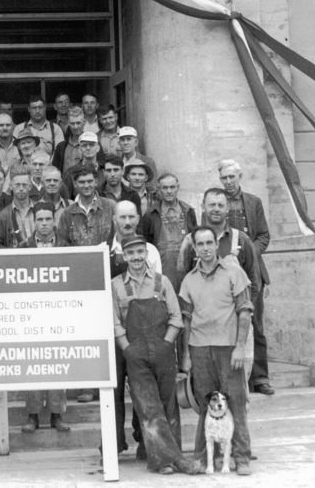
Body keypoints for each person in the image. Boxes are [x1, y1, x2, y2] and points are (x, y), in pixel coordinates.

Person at [112, 235, 201, 476]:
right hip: (135, 353)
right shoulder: (117, 284)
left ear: (147, 253)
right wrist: (128, 349)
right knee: (148, 408)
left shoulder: (162, 282)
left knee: (169, 406)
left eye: (140, 252)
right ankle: (166, 461)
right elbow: (115, 323)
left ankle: (172, 457)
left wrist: (166, 343)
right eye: (131, 253)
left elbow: (176, 317)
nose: (136, 257)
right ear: (124, 255)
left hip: (163, 350)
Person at [180, 226, 255, 476]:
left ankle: (241, 457)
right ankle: (202, 458)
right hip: (200, 350)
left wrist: (240, 347)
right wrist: (187, 356)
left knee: (236, 402)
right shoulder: (189, 280)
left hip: (228, 349)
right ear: (195, 247)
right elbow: (187, 321)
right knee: (205, 404)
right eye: (200, 244)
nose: (206, 248)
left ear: (216, 244)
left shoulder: (234, 272)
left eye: (209, 242)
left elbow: (245, 311)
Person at [105, 200, 161, 446]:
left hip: (143, 330)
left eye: (131, 217)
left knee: (144, 387)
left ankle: (145, 441)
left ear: (138, 219)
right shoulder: (101, 250)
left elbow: (158, 289)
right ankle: (114, 443)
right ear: (114, 219)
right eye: (122, 217)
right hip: (113, 329)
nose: (127, 222)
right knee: (114, 389)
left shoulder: (150, 251)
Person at [218, 159, 274, 395]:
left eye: (232, 177)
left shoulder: (253, 202)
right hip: (223, 272)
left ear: (240, 176)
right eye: (224, 178)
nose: (228, 182)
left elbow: (263, 235)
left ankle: (259, 378)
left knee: (255, 322)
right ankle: (229, 377)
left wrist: (248, 254)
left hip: (251, 272)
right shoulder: (216, 202)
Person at [18, 201, 70, 434]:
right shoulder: (22, 248)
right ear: (33, 221)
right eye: (40, 219)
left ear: (54, 220)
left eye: (48, 219)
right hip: (31, 314)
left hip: (58, 313)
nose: (45, 224)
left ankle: (57, 415)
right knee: (33, 365)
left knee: (57, 364)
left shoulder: (67, 247)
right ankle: (33, 415)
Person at [140, 173, 198, 288]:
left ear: (178, 187)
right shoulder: (151, 214)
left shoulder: (188, 211)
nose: (169, 191)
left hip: (186, 266)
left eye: (172, 187)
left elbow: (195, 241)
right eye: (165, 188)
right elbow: (148, 246)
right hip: (162, 267)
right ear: (159, 189)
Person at [57, 165, 116, 248]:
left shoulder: (111, 207)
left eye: (89, 181)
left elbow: (119, 238)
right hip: (77, 260)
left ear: (96, 182)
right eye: (81, 182)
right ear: (75, 184)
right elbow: (61, 243)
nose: (86, 185)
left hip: (107, 259)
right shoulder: (67, 213)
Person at [0, 163, 35, 249]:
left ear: (30, 186)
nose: (21, 188)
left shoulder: (41, 210)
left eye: (25, 185)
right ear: (10, 186)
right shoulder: (3, 216)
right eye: (17, 185)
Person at [63, 132, 105, 199]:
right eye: (84, 145)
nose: (88, 148)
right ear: (80, 149)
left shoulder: (105, 170)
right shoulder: (70, 173)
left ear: (98, 148)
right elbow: (67, 198)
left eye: (92, 145)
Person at [51, 107, 85, 174]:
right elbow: (54, 169)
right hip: (64, 183)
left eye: (78, 123)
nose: (75, 127)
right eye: (72, 123)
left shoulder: (91, 144)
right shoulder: (61, 147)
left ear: (84, 122)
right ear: (68, 124)